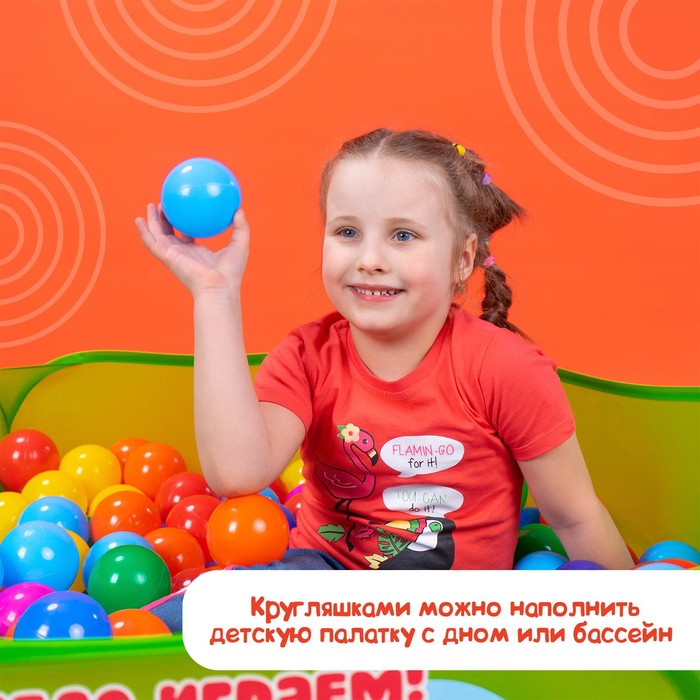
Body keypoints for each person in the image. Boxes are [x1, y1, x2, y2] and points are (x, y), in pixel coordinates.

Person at [136, 128, 633, 629]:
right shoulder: (308, 357)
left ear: (463, 259)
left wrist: (637, 625)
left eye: (403, 236)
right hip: (325, 597)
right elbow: (235, 474)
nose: (369, 260)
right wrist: (215, 294)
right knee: (206, 612)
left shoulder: (506, 368)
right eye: (347, 232)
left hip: (464, 617)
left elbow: (573, 515)